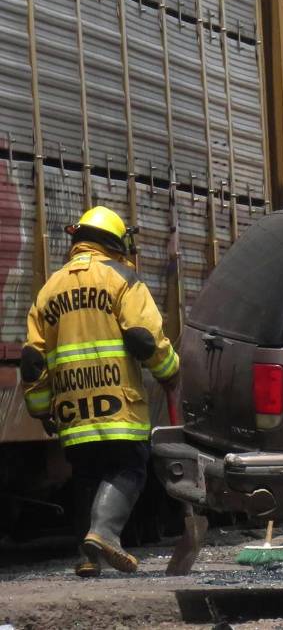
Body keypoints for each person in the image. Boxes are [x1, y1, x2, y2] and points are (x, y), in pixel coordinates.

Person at [20, 206, 180, 578]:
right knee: (129, 467)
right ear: (114, 241)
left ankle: (88, 555)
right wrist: (169, 371)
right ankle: (105, 533)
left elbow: (33, 360)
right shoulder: (122, 279)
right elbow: (145, 338)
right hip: (117, 402)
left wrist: (42, 409)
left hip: (73, 409)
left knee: (87, 474)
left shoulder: (49, 291)